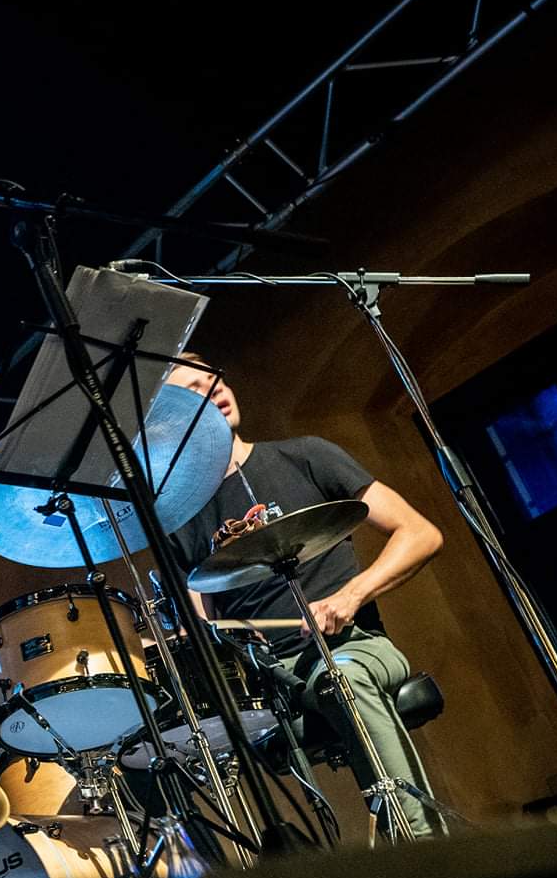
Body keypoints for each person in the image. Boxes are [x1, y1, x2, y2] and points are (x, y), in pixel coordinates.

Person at [163, 354, 446, 841]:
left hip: (356, 647)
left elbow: (420, 534)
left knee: (342, 678)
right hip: (272, 680)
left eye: (215, 377)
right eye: (193, 389)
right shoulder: (181, 518)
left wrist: (350, 596)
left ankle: (420, 843)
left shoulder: (306, 455)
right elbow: (201, 626)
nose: (213, 388)